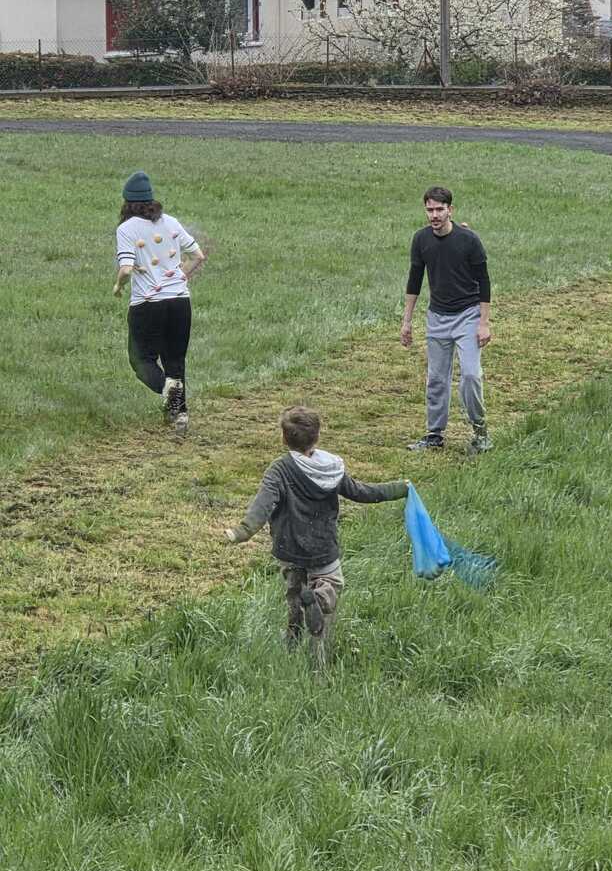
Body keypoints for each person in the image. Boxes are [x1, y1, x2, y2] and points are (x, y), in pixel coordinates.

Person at [224, 406, 408, 667]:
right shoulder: (330, 469)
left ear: (283, 438)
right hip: (323, 548)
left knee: (295, 598)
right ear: (317, 436)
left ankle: (291, 645)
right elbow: (362, 492)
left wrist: (243, 531)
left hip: (289, 549)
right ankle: (318, 640)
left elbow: (262, 505)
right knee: (331, 587)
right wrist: (399, 488)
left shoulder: (279, 470)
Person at [401, 185, 492, 454]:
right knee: (437, 379)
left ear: (450, 210)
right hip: (437, 317)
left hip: (467, 315)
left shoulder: (469, 240)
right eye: (430, 210)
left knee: (471, 376)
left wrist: (483, 322)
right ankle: (434, 435)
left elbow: (484, 281)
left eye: (440, 209)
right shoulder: (421, 240)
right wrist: (407, 321)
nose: (434, 215)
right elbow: (414, 281)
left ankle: (480, 432)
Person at [114, 170, 205, 438]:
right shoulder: (171, 222)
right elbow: (198, 256)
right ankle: (179, 417)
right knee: (175, 361)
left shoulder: (126, 229)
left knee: (140, 359)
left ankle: (167, 390)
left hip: (147, 304)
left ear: (127, 203)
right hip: (180, 302)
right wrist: (180, 277)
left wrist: (118, 286)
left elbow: (126, 268)